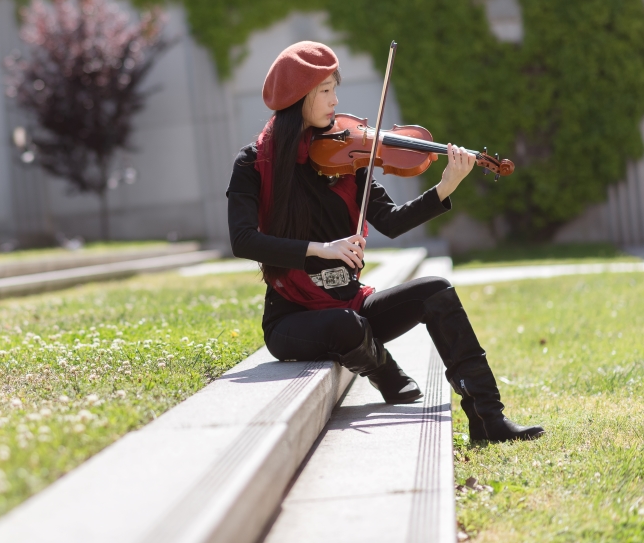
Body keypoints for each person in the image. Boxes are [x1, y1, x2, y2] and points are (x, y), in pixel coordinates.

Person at [227, 41, 544, 442]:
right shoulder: (254, 163)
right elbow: (243, 240)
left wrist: (445, 187)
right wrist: (319, 251)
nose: (335, 100)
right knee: (347, 325)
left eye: (334, 88)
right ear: (297, 97)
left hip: (352, 303)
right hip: (292, 318)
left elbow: (391, 221)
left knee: (437, 291)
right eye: (324, 90)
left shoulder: (347, 153)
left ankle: (488, 418)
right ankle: (385, 372)